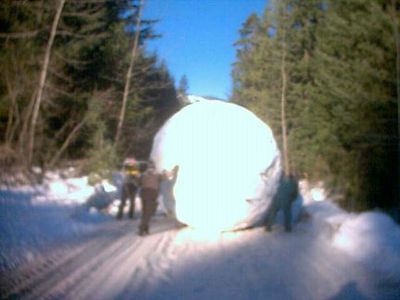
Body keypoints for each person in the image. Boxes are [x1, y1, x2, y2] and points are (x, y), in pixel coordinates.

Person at [138, 161, 163, 236]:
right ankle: (142, 229)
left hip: (144, 194)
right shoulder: (157, 175)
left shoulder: (143, 175)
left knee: (145, 212)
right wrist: (173, 171)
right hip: (151, 195)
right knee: (148, 212)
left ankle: (145, 228)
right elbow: (165, 176)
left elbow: (138, 183)